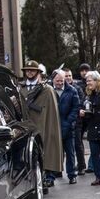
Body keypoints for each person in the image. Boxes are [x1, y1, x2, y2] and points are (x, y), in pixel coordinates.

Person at [19, 61, 63, 189]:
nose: (30, 72)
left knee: (43, 152)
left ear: (38, 73)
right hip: (25, 127)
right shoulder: (20, 88)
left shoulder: (47, 90)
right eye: (27, 70)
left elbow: (52, 114)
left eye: (33, 70)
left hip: (42, 125)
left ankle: (45, 178)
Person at [52, 70, 81, 184]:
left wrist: (68, 122)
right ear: (53, 80)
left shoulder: (72, 90)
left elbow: (75, 108)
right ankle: (51, 176)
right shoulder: (49, 90)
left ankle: (72, 175)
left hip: (68, 126)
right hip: (53, 126)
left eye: (61, 81)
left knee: (70, 152)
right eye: (57, 81)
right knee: (53, 153)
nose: (59, 83)